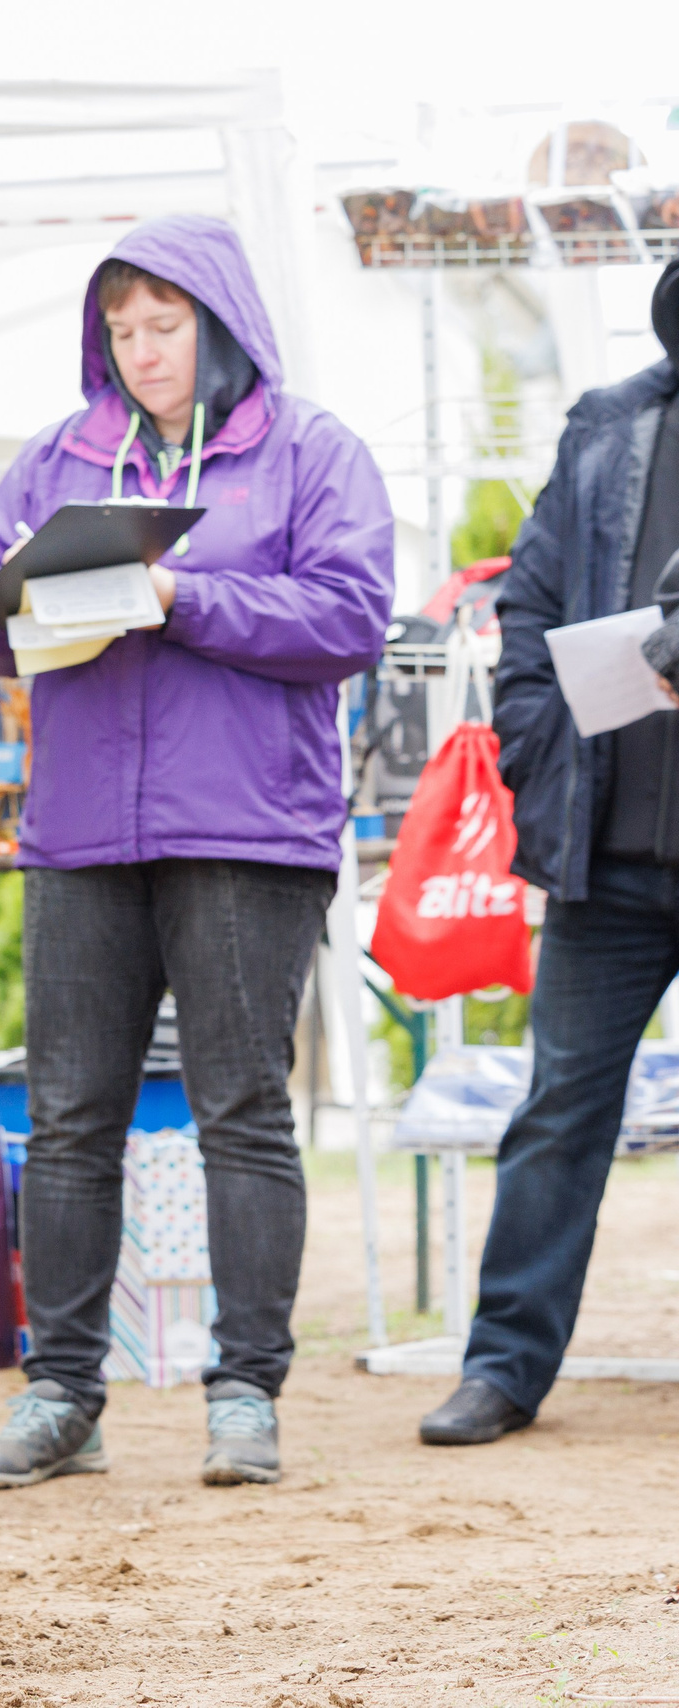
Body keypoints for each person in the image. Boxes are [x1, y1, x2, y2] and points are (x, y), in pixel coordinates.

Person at [0, 215, 393, 1490]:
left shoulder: (312, 452)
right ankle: (60, 1394)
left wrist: (181, 594)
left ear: (224, 321)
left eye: (166, 325)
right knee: (66, 1117)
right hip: (81, 831)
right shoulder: (61, 457)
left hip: (251, 828)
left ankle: (245, 1392)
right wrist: (9, 599)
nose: (142, 352)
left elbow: (351, 615)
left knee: (241, 1111)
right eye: (122, 330)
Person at [419, 260, 679, 1447]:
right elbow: (527, 602)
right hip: (609, 853)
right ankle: (504, 1368)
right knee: (559, 1111)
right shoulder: (611, 421)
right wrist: (533, 733)